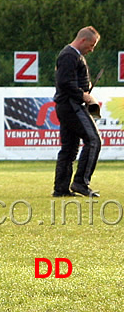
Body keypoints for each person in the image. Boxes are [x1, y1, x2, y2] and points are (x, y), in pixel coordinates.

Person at [52, 26, 102, 198]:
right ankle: (80, 182)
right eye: (91, 45)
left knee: (69, 148)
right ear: (83, 40)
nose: (92, 49)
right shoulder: (69, 56)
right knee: (94, 140)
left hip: (66, 105)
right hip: (71, 105)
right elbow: (64, 82)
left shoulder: (72, 55)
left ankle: (61, 188)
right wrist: (84, 96)